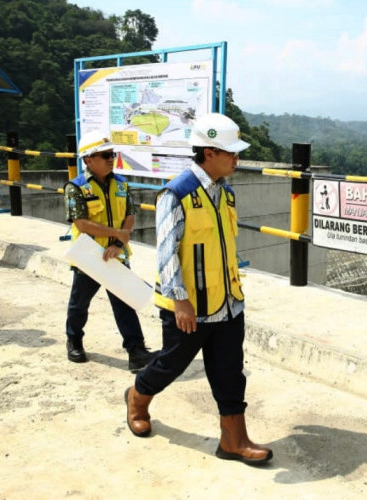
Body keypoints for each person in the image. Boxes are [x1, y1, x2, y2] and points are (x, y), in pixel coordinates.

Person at [124, 113, 272, 465]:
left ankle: (234, 439)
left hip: (228, 302)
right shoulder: (177, 193)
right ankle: (137, 397)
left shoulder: (226, 194)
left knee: (230, 372)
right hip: (190, 304)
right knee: (171, 363)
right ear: (208, 152)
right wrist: (180, 301)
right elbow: (166, 252)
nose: (237, 158)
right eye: (230, 152)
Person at [64, 131, 157, 372]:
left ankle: (136, 352)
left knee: (124, 302)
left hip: (115, 253)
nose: (110, 159)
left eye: (112, 154)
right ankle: (74, 340)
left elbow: (129, 215)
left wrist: (118, 245)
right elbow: (81, 223)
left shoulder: (121, 184)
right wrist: (116, 235)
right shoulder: (76, 188)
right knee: (79, 304)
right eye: (104, 155)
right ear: (88, 159)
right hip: (89, 256)